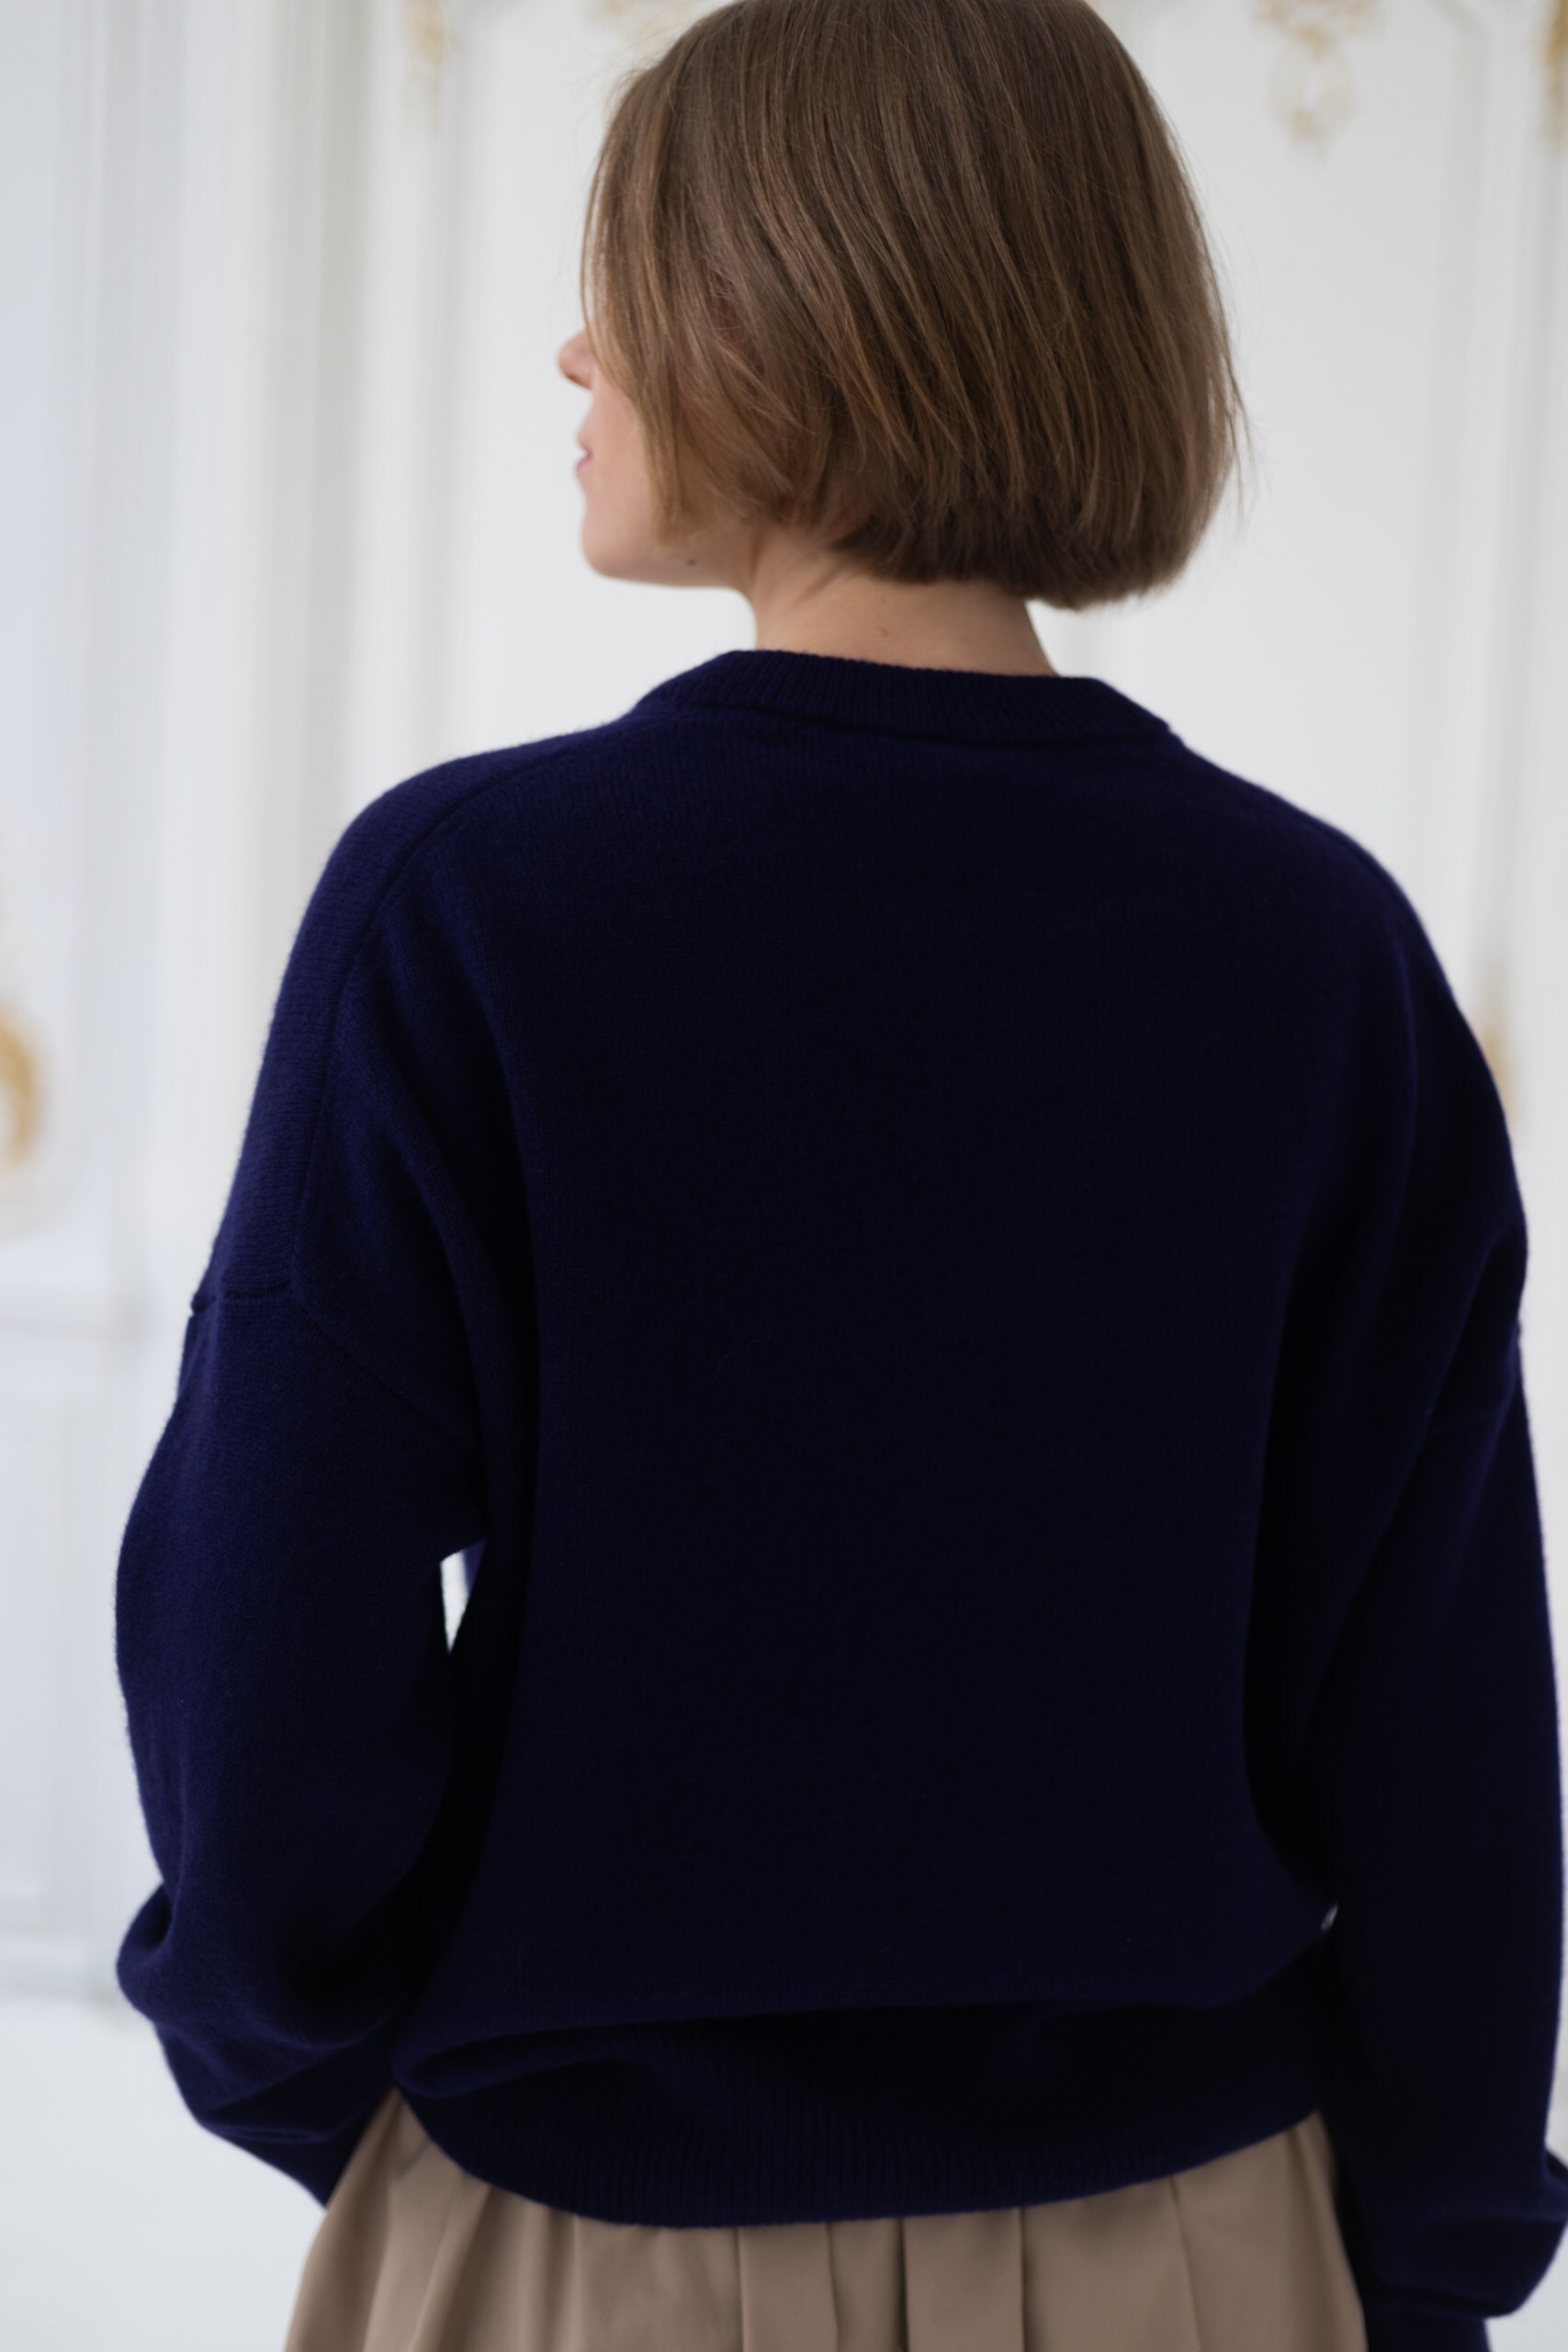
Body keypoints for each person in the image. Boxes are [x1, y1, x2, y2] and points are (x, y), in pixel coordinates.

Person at [113, 2, 1568, 2347]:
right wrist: (1421, 2251)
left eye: (626, 276)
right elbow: (1440, 1732)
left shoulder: (468, 916)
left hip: (582, 2240)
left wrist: (335, 2072)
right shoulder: (1322, 960)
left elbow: (269, 1660)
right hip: (1197, 2246)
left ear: (795, 305)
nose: (575, 347)